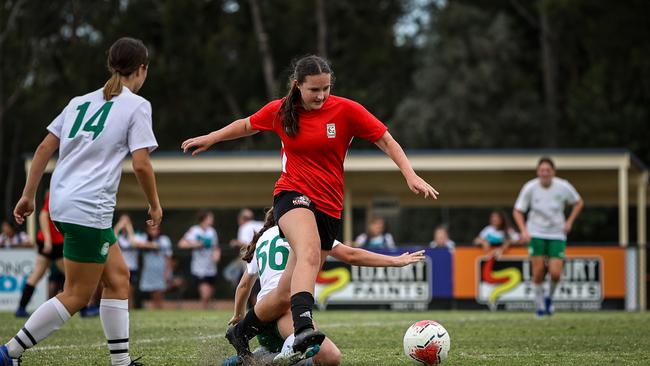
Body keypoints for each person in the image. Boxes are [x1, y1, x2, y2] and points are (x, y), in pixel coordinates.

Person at [181, 54, 438, 360]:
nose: (321, 95)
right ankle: (303, 327)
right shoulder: (281, 110)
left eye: (326, 88)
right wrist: (211, 138)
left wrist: (409, 173)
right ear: (297, 85)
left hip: (330, 207)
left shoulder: (346, 110)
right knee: (309, 252)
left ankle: (241, 332)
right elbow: (246, 125)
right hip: (292, 195)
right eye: (314, 89)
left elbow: (386, 140)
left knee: (281, 296)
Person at [1, 37, 161, 366]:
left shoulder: (78, 102)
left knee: (118, 279)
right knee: (76, 294)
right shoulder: (136, 105)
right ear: (141, 70)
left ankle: (121, 363)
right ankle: (9, 353)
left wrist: (28, 194)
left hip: (64, 203)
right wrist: (155, 204)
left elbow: (44, 149)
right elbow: (142, 163)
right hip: (88, 209)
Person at [223, 208, 426, 366]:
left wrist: (239, 314)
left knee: (330, 356)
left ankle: (261, 357)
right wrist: (395, 261)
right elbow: (352, 255)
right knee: (330, 358)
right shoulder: (306, 233)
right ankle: (276, 353)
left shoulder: (263, 238)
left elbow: (243, 285)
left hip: (261, 318)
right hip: (284, 313)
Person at [513, 156, 583, 318]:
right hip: (536, 232)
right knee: (537, 272)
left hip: (557, 234)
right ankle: (539, 305)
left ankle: (549, 297)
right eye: (542, 170)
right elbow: (518, 210)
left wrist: (570, 222)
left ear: (553, 172)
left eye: (548, 170)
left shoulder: (563, 186)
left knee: (556, 273)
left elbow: (579, 202)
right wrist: (524, 231)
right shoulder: (530, 187)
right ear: (538, 172)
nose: (545, 173)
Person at [15, 191, 65, 317]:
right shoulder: (56, 194)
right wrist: (48, 240)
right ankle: (84, 309)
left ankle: (21, 308)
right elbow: (43, 214)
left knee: (38, 274)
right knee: (72, 276)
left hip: (53, 241)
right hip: (52, 243)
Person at [178, 211, 221, 309]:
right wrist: (196, 244)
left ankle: (205, 309)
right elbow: (181, 244)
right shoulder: (194, 230)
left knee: (209, 293)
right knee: (205, 293)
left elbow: (216, 247)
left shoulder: (212, 231)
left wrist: (217, 256)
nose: (212, 220)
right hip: (199, 267)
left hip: (211, 267)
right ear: (204, 219)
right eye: (210, 218)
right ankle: (204, 309)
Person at [134, 225, 172, 309]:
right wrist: (152, 245)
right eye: (151, 230)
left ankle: (159, 309)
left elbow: (168, 257)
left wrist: (168, 272)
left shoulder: (164, 239)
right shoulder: (144, 237)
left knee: (159, 292)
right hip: (149, 270)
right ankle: (156, 309)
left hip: (161, 270)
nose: (153, 232)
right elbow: (135, 242)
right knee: (152, 292)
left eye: (155, 230)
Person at [114, 214, 139, 309]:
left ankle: (130, 309)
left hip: (132, 267)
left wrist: (129, 228)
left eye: (126, 222)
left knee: (130, 292)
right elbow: (111, 238)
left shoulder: (136, 235)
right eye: (122, 221)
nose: (124, 224)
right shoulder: (119, 237)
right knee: (120, 292)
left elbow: (133, 242)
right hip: (119, 268)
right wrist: (119, 226)